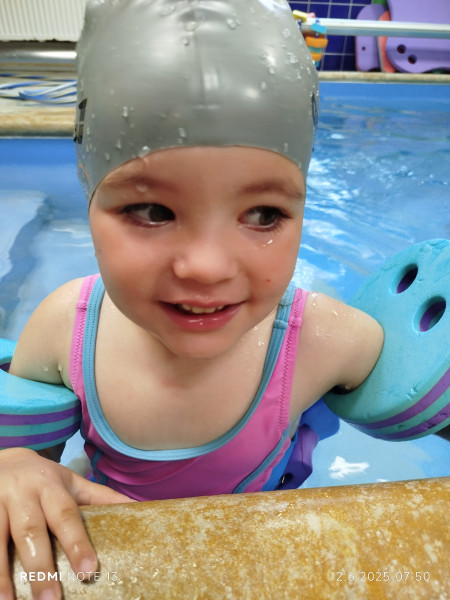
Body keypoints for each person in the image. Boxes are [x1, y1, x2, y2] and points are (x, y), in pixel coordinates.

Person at [0, 1, 384, 599]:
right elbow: (26, 463)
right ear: (88, 196)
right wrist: (15, 468)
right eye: (151, 210)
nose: (206, 265)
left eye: (264, 214)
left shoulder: (328, 340)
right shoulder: (62, 330)